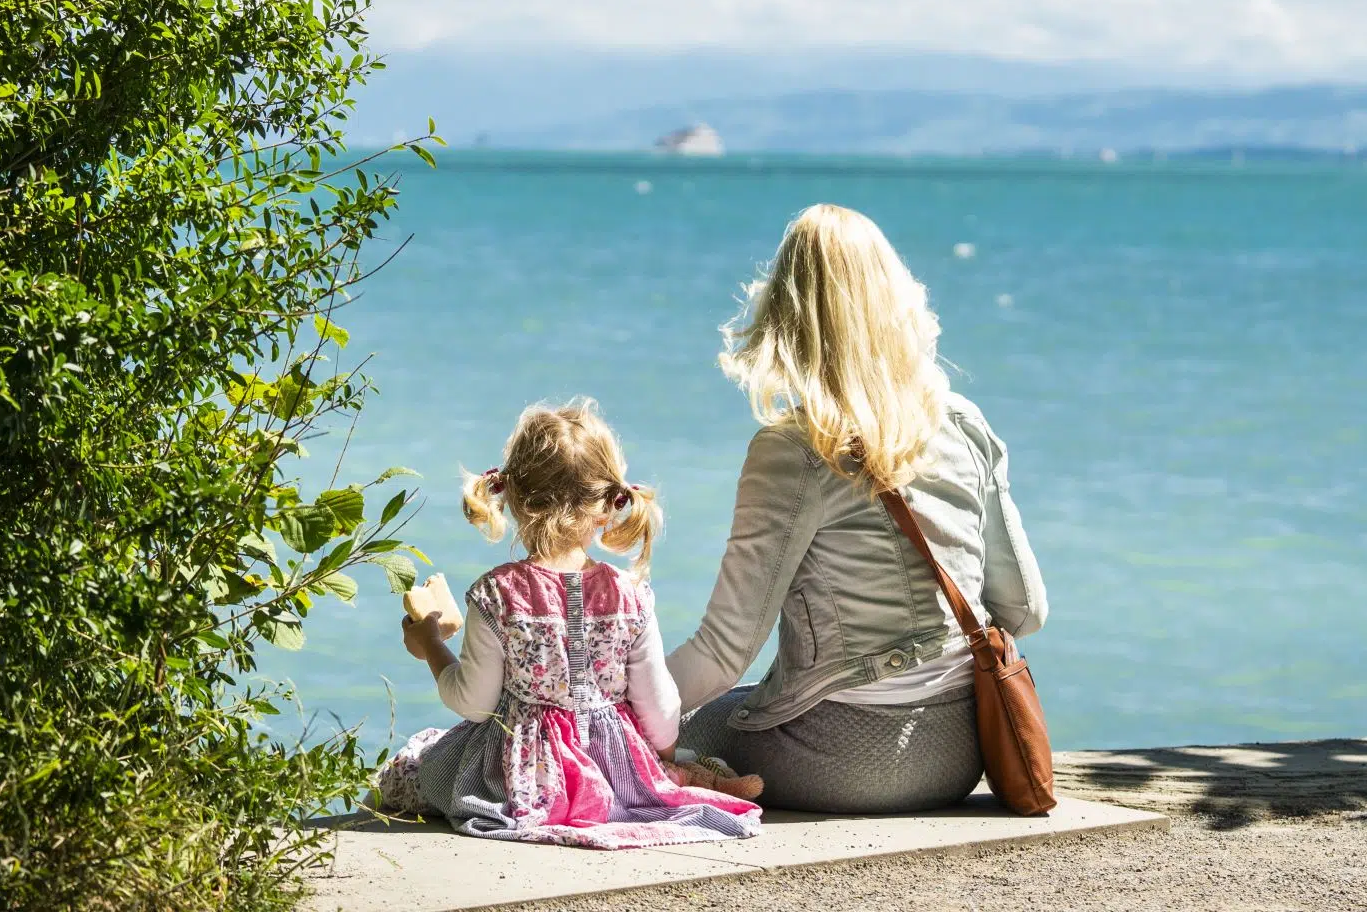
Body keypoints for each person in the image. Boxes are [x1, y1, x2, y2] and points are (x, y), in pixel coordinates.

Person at [668, 204, 1050, 814]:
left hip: (838, 760)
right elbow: (1025, 611)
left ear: (785, 315)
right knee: (724, 704)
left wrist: (606, 704)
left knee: (667, 727)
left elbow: (723, 651)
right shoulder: (964, 424)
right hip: (961, 753)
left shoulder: (794, 449)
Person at [377, 401, 763, 848]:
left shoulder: (497, 594)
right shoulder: (630, 594)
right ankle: (692, 778)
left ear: (513, 497)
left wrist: (431, 646)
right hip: (616, 775)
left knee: (410, 768)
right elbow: (660, 713)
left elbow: (474, 705)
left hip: (522, 781)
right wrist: (657, 766)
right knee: (679, 764)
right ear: (607, 506)